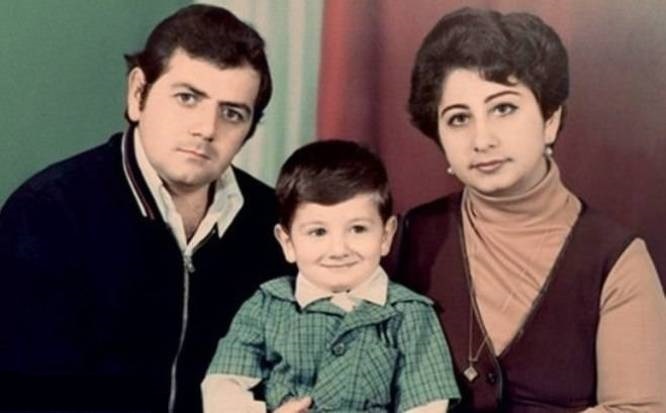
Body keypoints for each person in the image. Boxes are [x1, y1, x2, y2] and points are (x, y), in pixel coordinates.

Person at [0, 5, 291, 413]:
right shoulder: (47, 214)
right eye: (187, 98)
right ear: (138, 94)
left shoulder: (275, 223)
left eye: (232, 113)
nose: (207, 129)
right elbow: (26, 397)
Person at [396, 7, 666, 412]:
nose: (482, 139)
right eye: (458, 118)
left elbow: (639, 409)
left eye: (503, 108)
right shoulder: (408, 236)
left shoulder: (616, 260)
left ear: (550, 120)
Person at [201, 140, 460, 412]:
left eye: (358, 229)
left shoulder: (409, 314)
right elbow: (222, 383)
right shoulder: (267, 305)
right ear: (287, 242)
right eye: (318, 232)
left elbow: (427, 403)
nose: (339, 250)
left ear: (386, 235)